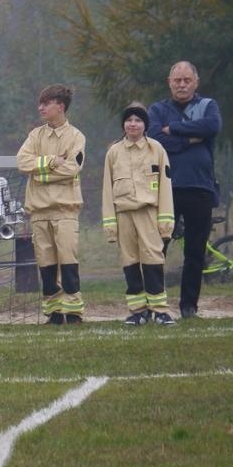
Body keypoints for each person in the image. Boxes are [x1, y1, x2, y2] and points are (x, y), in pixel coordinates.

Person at [147, 62, 222, 318]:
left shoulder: (208, 106)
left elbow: (211, 126)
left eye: (187, 80)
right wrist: (191, 138)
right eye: (177, 80)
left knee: (195, 252)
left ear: (196, 82)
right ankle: (155, 304)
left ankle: (188, 306)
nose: (182, 84)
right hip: (165, 189)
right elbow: (156, 139)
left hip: (200, 187)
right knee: (158, 249)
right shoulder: (157, 109)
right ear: (169, 81)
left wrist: (176, 130)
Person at [16, 84, 86, 324]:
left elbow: (72, 168)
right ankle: (54, 312)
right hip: (39, 212)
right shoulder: (35, 136)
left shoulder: (76, 136)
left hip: (65, 209)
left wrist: (40, 172)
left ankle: (73, 311)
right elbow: (23, 162)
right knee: (45, 264)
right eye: (40, 103)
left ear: (61, 106)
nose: (41, 107)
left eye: (46, 103)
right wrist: (51, 162)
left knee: (68, 261)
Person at [102, 103, 176, 325]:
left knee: (153, 259)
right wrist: (110, 225)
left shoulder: (157, 150)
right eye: (129, 120)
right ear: (123, 125)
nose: (133, 124)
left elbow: (165, 187)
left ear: (145, 125)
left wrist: (166, 222)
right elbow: (107, 190)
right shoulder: (113, 152)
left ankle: (160, 310)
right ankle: (138, 311)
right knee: (130, 261)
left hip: (149, 214)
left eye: (138, 120)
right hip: (124, 215)